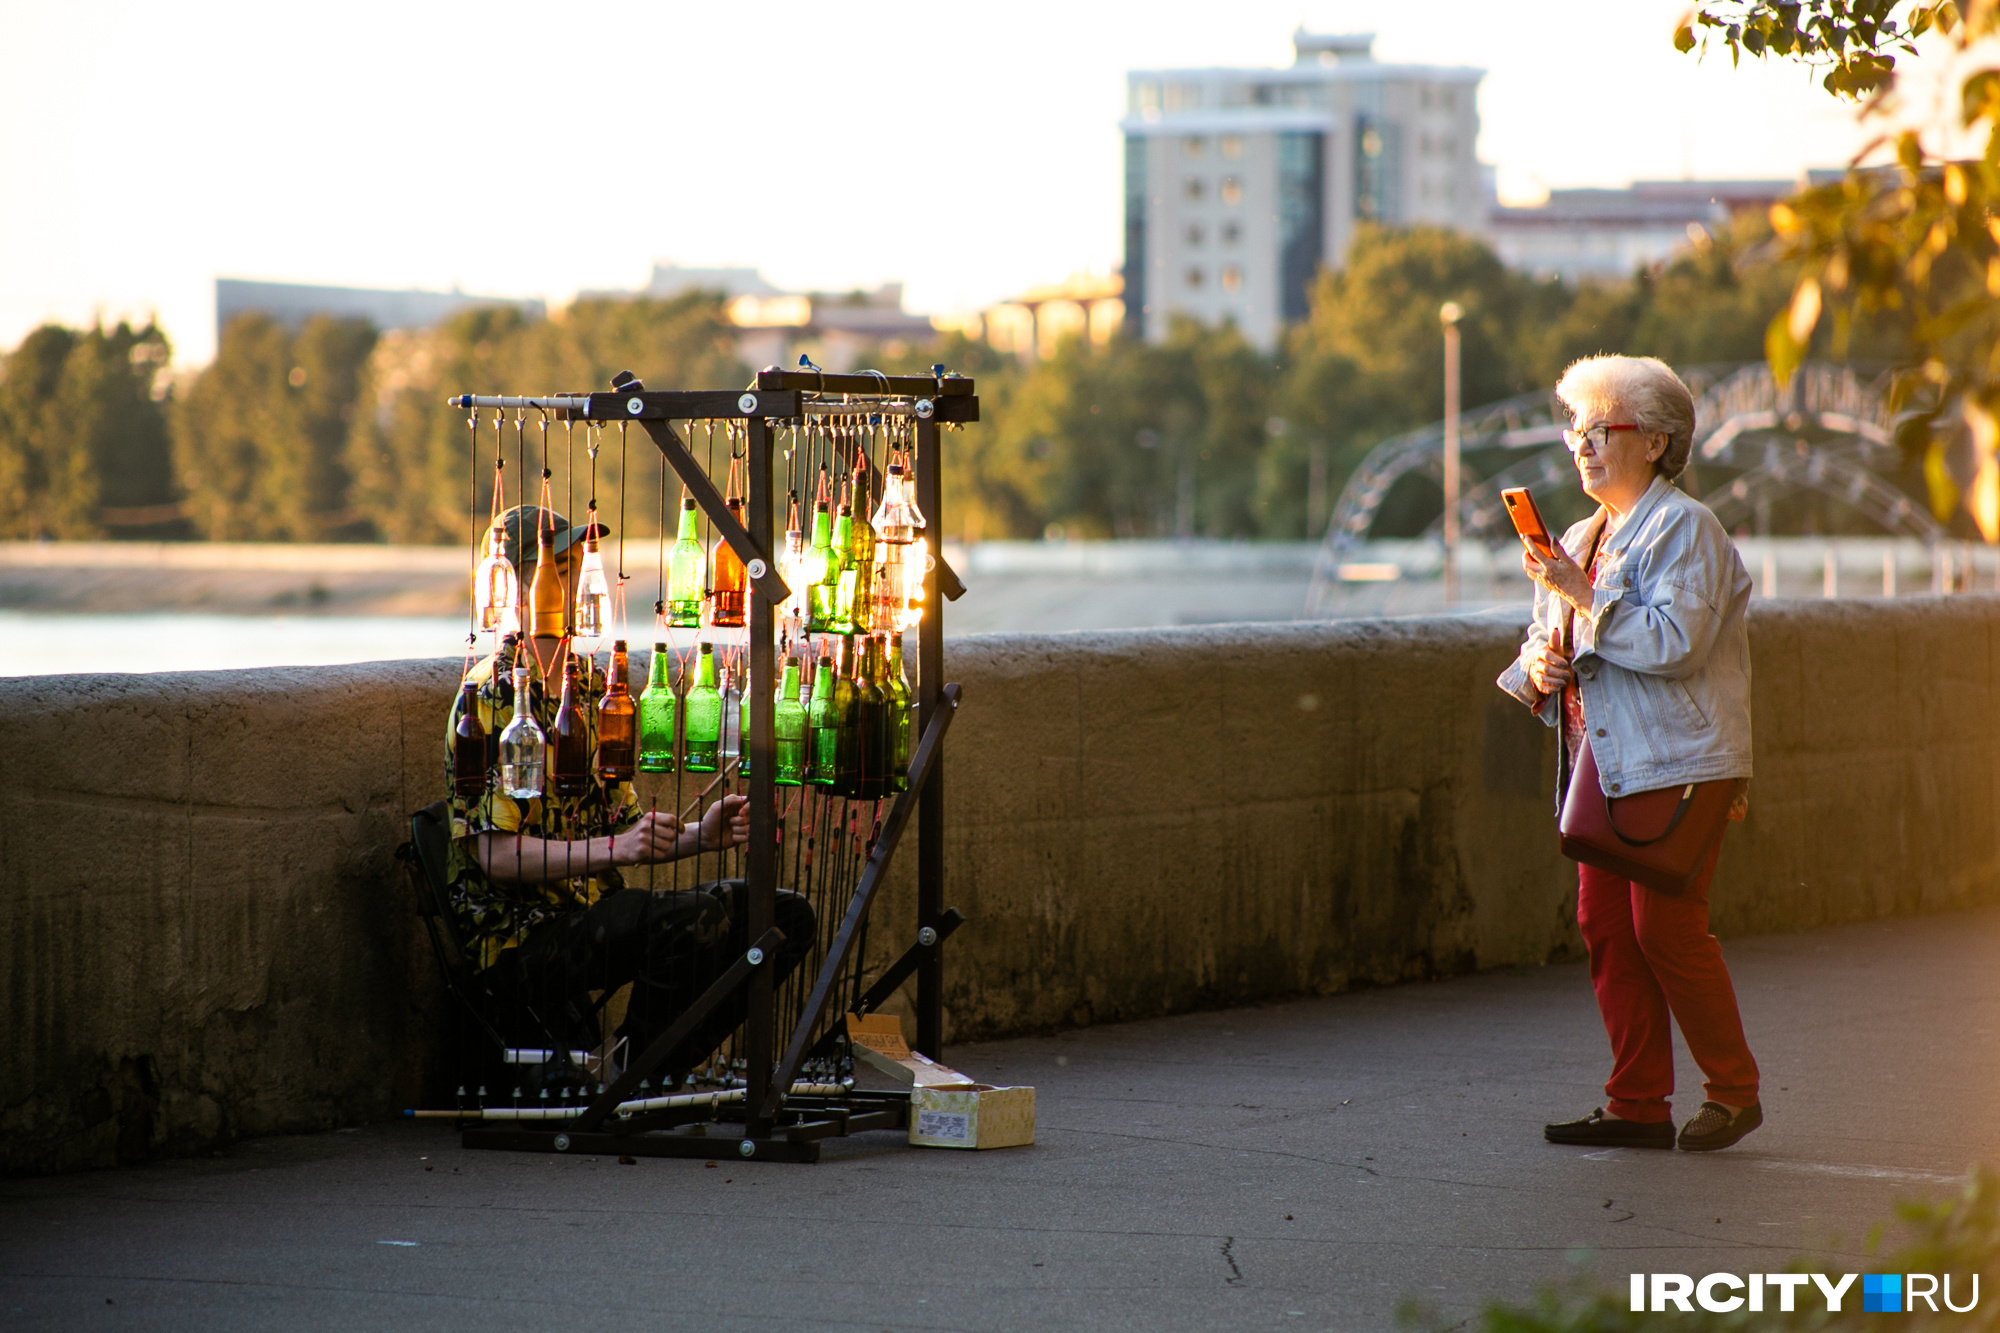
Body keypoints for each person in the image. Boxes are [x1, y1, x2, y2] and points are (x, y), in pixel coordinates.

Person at [443, 504, 814, 1088]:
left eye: (575, 566)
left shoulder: (590, 686)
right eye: (557, 568)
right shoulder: (490, 693)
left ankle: (655, 1062)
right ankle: (631, 1077)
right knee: (693, 920)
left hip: (588, 913)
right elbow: (495, 856)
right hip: (519, 938)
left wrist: (700, 838)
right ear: (513, 587)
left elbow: (626, 830)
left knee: (784, 914)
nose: (572, 582)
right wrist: (617, 850)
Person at [1496, 355, 1762, 1153]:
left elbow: (1676, 642)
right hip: (1602, 765)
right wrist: (1536, 667)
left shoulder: (1688, 529)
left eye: (1599, 430)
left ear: (1653, 441)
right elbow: (1551, 639)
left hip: (1680, 764)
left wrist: (1580, 594)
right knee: (1606, 924)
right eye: (1575, 429)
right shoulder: (1582, 535)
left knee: (1666, 929)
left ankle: (1733, 1091)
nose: (1581, 446)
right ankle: (1636, 1101)